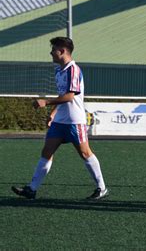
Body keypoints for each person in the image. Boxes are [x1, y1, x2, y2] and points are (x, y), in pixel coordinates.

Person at [11, 37, 108, 200]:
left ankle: (102, 188)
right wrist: (54, 113)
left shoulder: (73, 70)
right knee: (46, 152)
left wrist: (46, 102)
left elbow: (70, 96)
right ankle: (31, 189)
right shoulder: (59, 71)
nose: (51, 52)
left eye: (53, 49)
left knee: (85, 153)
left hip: (74, 121)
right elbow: (62, 95)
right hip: (60, 121)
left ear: (62, 51)